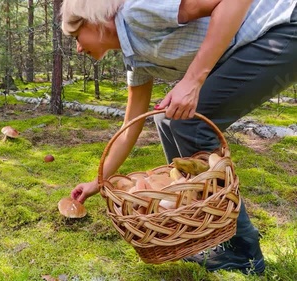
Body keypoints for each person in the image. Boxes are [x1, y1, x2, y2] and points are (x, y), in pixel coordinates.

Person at [61, 0, 297, 275]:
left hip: (281, 27)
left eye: (77, 36)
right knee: (165, 118)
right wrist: (97, 183)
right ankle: (204, 229)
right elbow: (129, 128)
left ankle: (243, 250)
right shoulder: (136, 59)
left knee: (190, 126)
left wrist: (193, 81)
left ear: (94, 20)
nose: (78, 48)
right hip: (267, 37)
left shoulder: (137, 13)